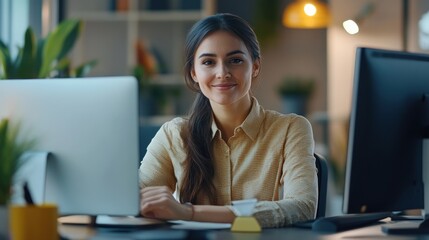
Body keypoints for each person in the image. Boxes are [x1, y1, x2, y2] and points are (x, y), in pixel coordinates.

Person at [139, 13, 318, 228]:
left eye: (235, 60)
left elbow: (303, 207)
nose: (222, 72)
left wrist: (189, 212)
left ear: (256, 67)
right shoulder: (174, 134)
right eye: (208, 62)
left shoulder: (290, 129)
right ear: (193, 72)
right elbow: (136, 199)